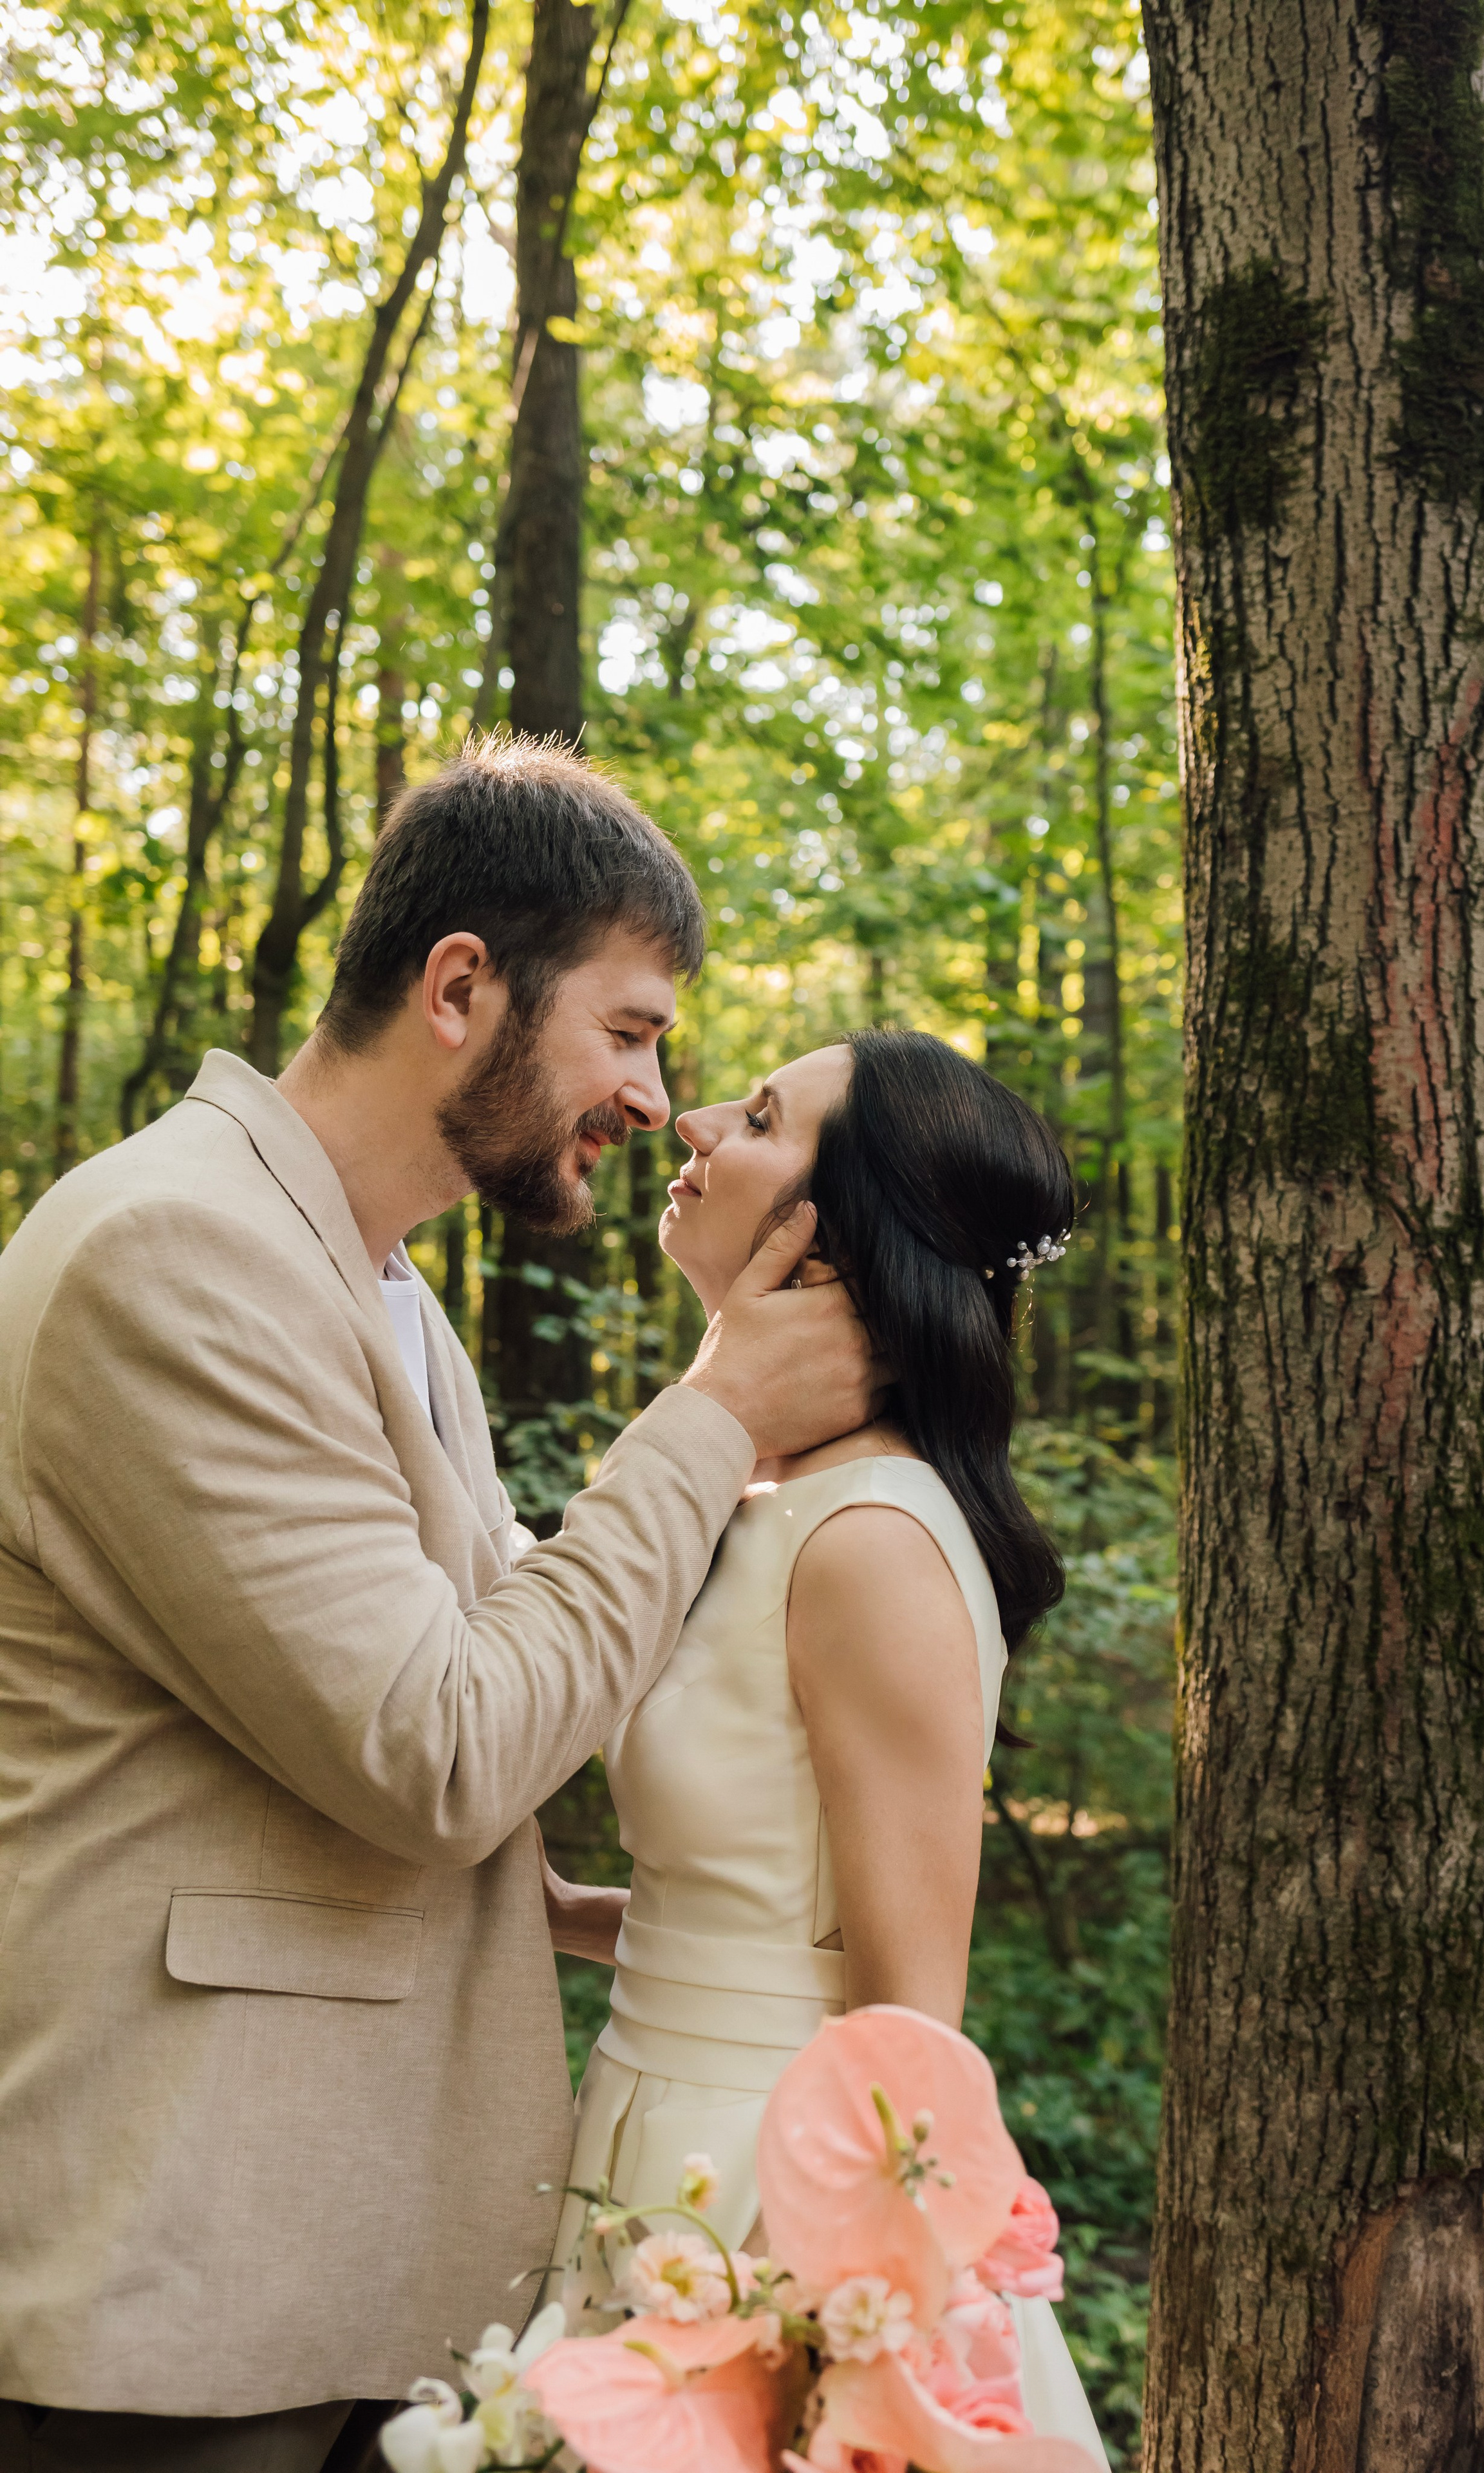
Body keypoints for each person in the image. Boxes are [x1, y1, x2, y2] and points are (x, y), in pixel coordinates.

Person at [0, 739, 878, 2473]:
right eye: (628, 1030)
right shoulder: (175, 1253)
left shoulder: (375, 1282)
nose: (653, 1098)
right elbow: (442, 1747)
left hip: (337, 2265)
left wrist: (598, 1912)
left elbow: (423, 1687)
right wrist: (713, 1416)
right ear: (461, 986)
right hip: (180, 2276)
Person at [544, 1027, 1109, 2463]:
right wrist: (556, 1917)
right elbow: (763, 1916)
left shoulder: (870, 1538)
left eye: (756, 1118)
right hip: (639, 2133)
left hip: (765, 2186)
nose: (689, 1122)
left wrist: (835, 2329)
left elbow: (909, 2021)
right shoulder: (746, 1501)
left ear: (839, 1236)